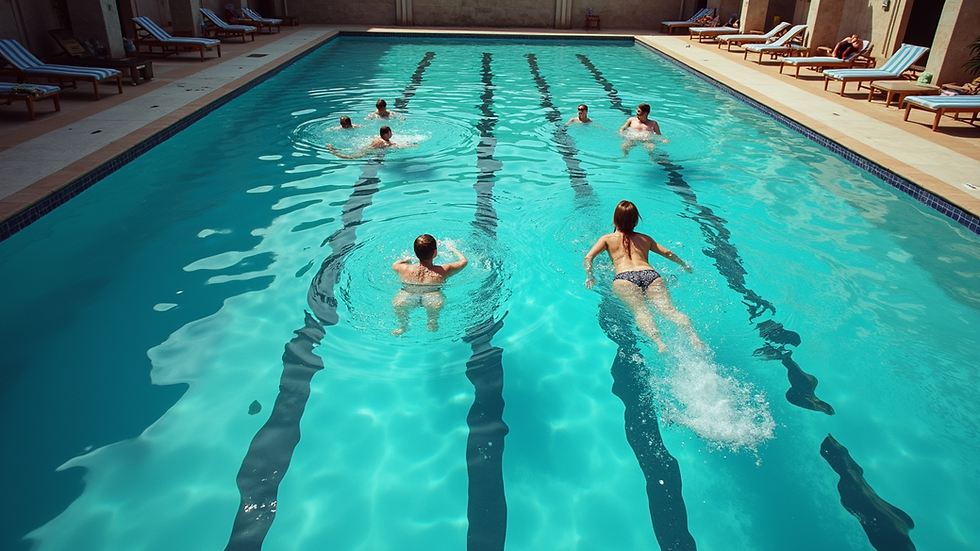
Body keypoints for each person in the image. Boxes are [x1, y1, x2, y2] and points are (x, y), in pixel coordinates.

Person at [584, 200, 703, 353]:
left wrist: (590, 277)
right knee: (670, 311)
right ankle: (694, 337)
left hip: (624, 278)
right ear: (636, 221)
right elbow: (667, 253)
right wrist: (684, 265)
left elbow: (588, 258)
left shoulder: (607, 239)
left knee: (641, 312)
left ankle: (660, 343)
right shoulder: (645, 238)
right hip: (650, 275)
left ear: (614, 220)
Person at [392, 235, 468, 335]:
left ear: (416, 253)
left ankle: (403, 326)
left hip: (409, 294)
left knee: (398, 304)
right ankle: (432, 322)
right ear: (435, 252)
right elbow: (464, 261)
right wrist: (454, 250)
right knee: (436, 304)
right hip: (431, 296)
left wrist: (407, 260)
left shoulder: (404, 268)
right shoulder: (443, 270)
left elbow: (395, 265)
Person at [325, 125, 415, 159]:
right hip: (367, 152)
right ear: (387, 133)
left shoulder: (377, 137)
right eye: (390, 132)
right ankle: (332, 151)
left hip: (366, 147)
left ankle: (333, 149)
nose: (392, 134)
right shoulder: (385, 143)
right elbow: (399, 146)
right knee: (350, 157)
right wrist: (412, 145)